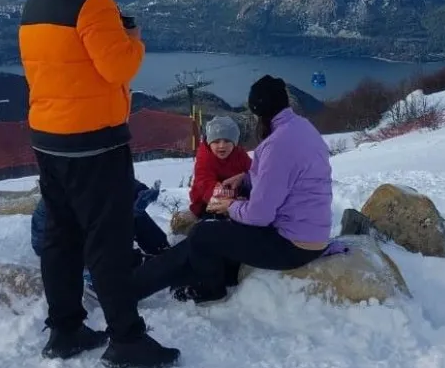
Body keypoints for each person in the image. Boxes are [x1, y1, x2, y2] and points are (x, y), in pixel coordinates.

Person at [18, 0, 179, 368]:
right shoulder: (93, 4)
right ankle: (126, 339)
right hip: (94, 142)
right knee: (107, 240)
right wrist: (133, 38)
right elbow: (118, 68)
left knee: (61, 234)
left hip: (48, 140)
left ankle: (65, 329)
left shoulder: (35, 4)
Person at [133, 75, 333, 305]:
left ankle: (208, 289)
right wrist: (245, 178)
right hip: (311, 235)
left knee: (203, 234)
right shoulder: (302, 128)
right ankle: (145, 281)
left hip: (291, 245)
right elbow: (284, 177)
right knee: (214, 235)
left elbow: (259, 215)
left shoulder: (277, 145)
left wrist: (231, 206)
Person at [31, 179, 169, 268]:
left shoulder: (101, 171)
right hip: (57, 244)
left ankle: (162, 252)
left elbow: (122, 181)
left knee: (136, 215)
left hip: (86, 229)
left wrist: (141, 192)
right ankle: (127, 265)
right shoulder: (75, 184)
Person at [169, 116, 253, 236]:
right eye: (216, 141)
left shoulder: (239, 154)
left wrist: (245, 181)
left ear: (235, 142)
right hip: (206, 202)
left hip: (235, 199)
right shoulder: (205, 157)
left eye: (227, 141)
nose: (222, 146)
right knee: (213, 227)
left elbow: (254, 171)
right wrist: (226, 200)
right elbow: (205, 183)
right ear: (209, 141)